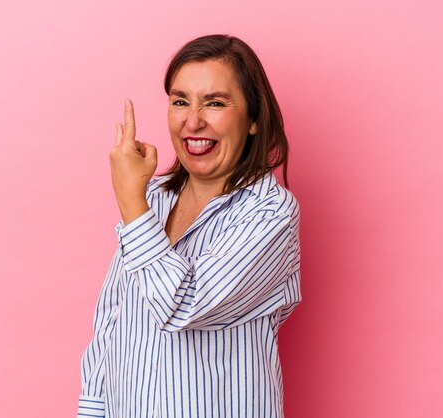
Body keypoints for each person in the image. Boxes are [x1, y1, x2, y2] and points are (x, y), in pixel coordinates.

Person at [77, 34, 301, 418]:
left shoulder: (271, 213)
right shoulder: (155, 198)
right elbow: (114, 319)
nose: (192, 121)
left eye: (214, 103)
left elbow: (182, 305)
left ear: (252, 120)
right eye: (180, 101)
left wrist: (131, 202)